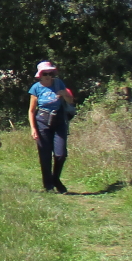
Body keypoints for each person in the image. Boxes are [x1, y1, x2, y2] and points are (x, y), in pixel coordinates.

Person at [29, 61, 76, 193]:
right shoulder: (36, 88)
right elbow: (31, 111)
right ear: (40, 75)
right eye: (45, 73)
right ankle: (48, 185)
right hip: (42, 122)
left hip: (59, 121)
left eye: (50, 73)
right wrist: (33, 128)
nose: (48, 76)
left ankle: (55, 179)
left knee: (60, 154)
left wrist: (65, 94)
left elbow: (70, 101)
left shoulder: (59, 83)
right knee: (45, 155)